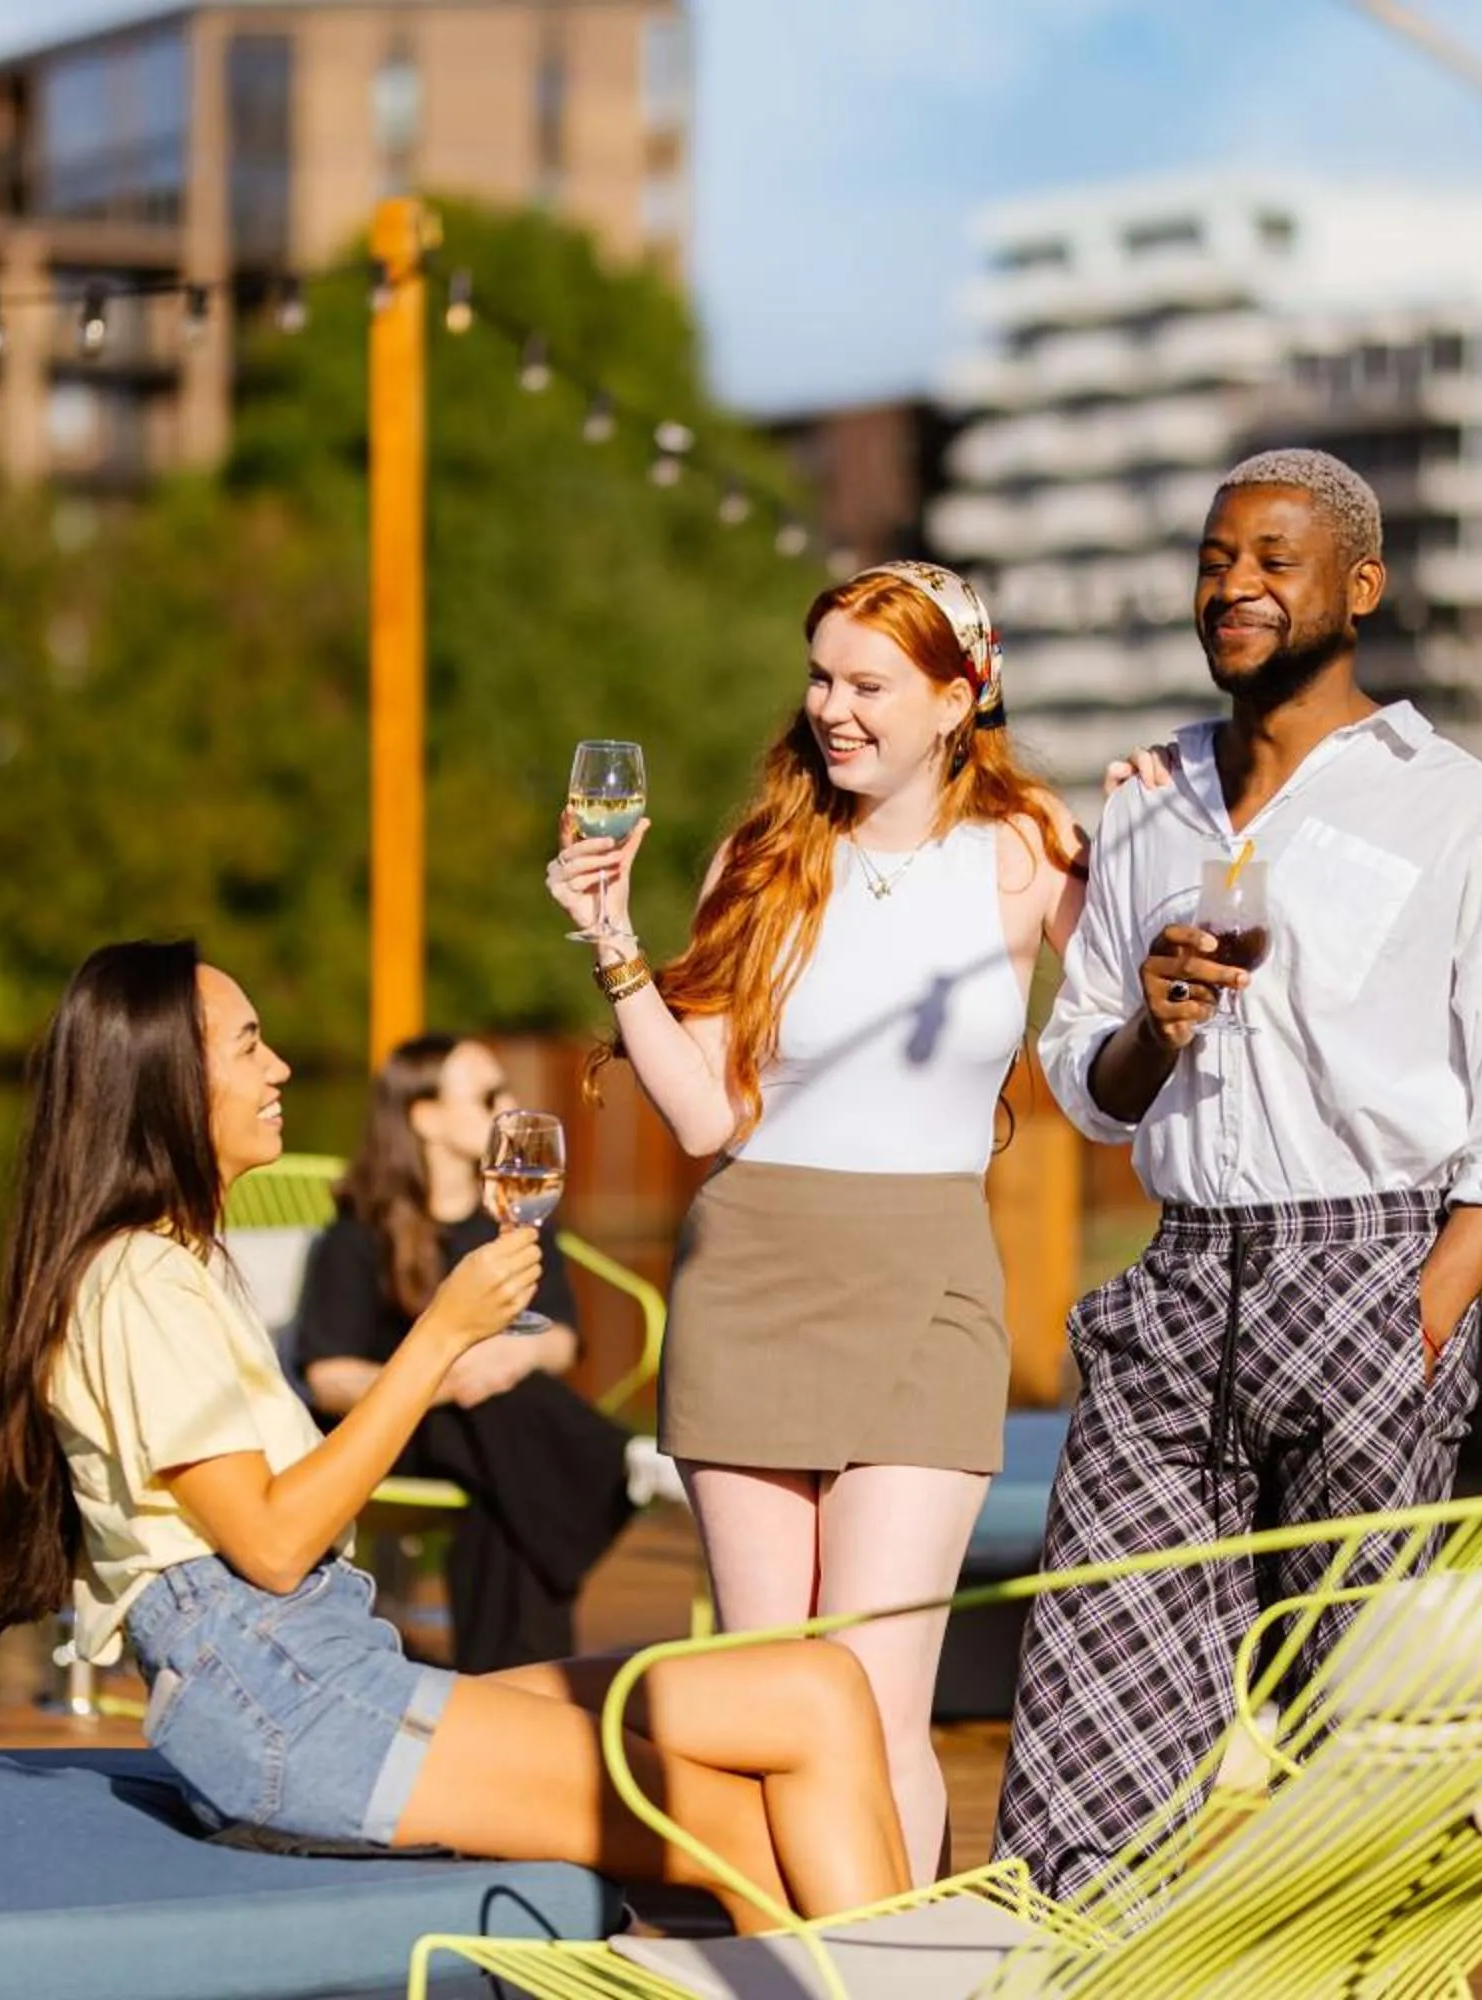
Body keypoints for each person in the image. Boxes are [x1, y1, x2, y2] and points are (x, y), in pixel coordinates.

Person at [0, 941, 908, 1930]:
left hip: (331, 1675)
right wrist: (434, 1343)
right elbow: (265, 1543)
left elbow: (11, 1555)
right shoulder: (135, 1286)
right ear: (167, 1084)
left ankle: (908, 1965)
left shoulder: (170, 1264)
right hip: (285, 1706)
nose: (279, 1070)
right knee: (725, 1822)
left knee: (812, 1687)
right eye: (248, 1045)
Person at [992, 450, 1482, 1900]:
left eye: (1274, 560)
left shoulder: (1460, 809)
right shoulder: (1148, 804)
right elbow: (1088, 1080)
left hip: (1372, 1274)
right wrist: (1155, 1022)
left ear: (1359, 588)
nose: (1237, 588)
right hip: (1183, 1275)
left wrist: (1429, 1308)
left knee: (1358, 1726)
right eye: (1216, 562)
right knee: (1095, 1703)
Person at [544, 562, 1085, 1876]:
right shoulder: (765, 858)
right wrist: (615, 944)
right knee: (768, 1692)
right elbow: (701, 1119)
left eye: (868, 684)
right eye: (822, 678)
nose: (832, 709)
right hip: (752, 1283)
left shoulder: (1028, 851)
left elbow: (1126, 1026)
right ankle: (795, 1959)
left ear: (960, 698)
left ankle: (897, 1968)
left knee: (870, 1697)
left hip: (930, 1285)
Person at [294, 1032, 680, 1673]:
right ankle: (618, 1465)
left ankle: (506, 1686)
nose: (508, 1104)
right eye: (486, 1095)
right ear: (424, 1115)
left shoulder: (510, 1222)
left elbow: (558, 1339)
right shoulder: (359, 1231)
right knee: (496, 1411)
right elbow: (329, 1378)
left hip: (493, 1442)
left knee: (507, 1505)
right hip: (396, 1430)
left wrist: (510, 1359)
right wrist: (441, 1376)